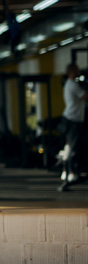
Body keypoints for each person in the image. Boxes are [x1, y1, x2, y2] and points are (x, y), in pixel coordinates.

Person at [58, 63, 87, 191]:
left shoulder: (69, 84)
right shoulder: (73, 85)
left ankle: (67, 172)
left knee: (69, 146)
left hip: (71, 119)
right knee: (72, 147)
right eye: (78, 70)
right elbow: (85, 96)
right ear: (72, 71)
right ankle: (71, 174)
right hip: (73, 119)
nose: (79, 71)